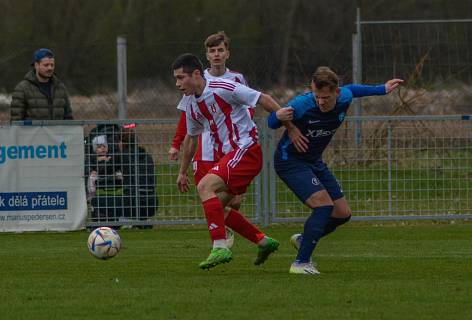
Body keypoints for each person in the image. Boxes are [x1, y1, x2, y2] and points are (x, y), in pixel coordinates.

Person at [268, 66, 403, 275]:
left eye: (326, 97)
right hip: (290, 162)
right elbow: (271, 122)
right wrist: (280, 118)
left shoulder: (344, 97)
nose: (321, 102)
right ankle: (301, 263)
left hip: (314, 162)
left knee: (342, 213)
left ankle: (304, 240)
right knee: (323, 206)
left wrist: (382, 88)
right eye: (317, 96)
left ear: (336, 93)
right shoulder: (302, 104)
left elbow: (354, 89)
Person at [172, 53, 293, 270]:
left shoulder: (223, 87)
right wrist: (182, 171)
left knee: (205, 187)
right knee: (217, 207)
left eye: (181, 78)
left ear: (196, 74)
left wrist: (290, 127)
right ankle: (263, 240)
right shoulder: (190, 104)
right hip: (230, 157)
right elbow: (191, 138)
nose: (178, 84)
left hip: (246, 149)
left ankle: (220, 247)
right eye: (176, 79)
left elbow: (261, 98)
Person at [169, 32, 250, 246]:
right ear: (206, 55)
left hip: (233, 146)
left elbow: (247, 109)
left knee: (235, 199)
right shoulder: (196, 80)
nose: (216, 54)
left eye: (220, 50)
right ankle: (222, 237)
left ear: (227, 54)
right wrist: (177, 144)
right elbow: (187, 116)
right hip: (206, 148)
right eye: (212, 51)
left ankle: (224, 229)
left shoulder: (237, 79)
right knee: (210, 194)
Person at [10, 48, 73, 121]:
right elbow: (16, 122)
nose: (50, 68)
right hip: (32, 132)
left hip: (57, 132)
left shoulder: (60, 88)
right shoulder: (22, 89)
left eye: (52, 65)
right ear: (36, 65)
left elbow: (68, 119)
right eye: (46, 65)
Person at [119, 124, 157, 229]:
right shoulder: (147, 156)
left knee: (107, 201)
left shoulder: (122, 156)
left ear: (122, 143)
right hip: (152, 203)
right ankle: (142, 221)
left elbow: (106, 170)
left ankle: (127, 222)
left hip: (131, 203)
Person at [87, 134, 124, 226]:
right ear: (95, 149)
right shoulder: (93, 157)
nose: (102, 149)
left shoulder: (111, 156)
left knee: (120, 174)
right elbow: (90, 165)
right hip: (99, 175)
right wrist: (92, 170)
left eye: (104, 146)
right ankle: (91, 194)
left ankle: (124, 188)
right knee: (91, 178)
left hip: (111, 174)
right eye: (99, 147)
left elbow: (115, 165)